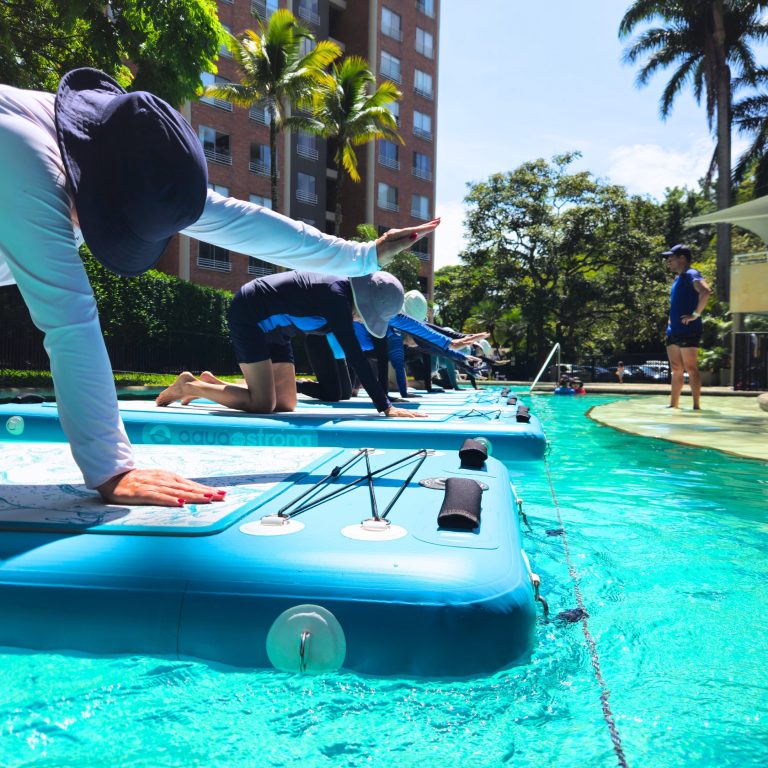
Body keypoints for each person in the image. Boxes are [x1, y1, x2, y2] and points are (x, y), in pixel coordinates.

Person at [0, 68, 438, 506]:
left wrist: (361, 256)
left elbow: (239, 221)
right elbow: (70, 321)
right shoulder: (27, 159)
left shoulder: (123, 154)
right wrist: (112, 468)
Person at [156, 271, 426, 419]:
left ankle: (209, 383)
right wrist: (385, 406)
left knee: (285, 404)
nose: (362, 319)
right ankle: (190, 386)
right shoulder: (337, 297)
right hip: (251, 315)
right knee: (262, 404)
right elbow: (354, 354)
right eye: (366, 314)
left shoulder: (344, 296)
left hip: (277, 331)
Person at [662, 244, 712, 410]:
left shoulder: (692, 274)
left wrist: (695, 315)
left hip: (689, 330)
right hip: (673, 330)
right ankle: (673, 405)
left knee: (690, 368)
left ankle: (696, 406)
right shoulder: (678, 279)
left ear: (682, 258)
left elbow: (706, 292)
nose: (669, 261)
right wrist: (670, 320)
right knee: (676, 369)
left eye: (671, 258)